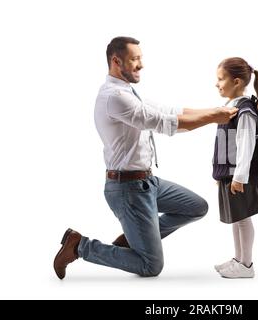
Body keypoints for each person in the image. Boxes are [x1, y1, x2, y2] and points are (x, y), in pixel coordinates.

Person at [53, 36, 237, 279]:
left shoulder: (127, 91)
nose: (141, 64)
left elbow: (170, 112)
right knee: (151, 266)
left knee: (196, 207)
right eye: (135, 59)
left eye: (141, 58)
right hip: (127, 189)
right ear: (116, 61)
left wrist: (215, 110)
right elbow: (163, 123)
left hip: (148, 183)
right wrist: (214, 118)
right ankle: (80, 246)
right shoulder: (114, 97)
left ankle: (136, 237)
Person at [212, 57, 258, 278]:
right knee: (236, 217)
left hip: (240, 175)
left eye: (220, 79)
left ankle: (246, 264)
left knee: (243, 217)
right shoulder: (232, 107)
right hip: (231, 174)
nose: (217, 83)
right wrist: (222, 173)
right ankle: (238, 259)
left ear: (236, 81)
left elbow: (246, 145)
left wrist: (239, 177)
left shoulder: (245, 109)